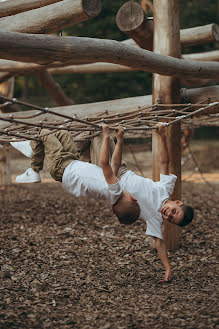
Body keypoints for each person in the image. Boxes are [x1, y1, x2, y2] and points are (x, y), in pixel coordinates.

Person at [11, 124, 194, 282]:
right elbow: (164, 162)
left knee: (98, 133)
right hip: (116, 169)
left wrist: (167, 268)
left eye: (171, 219)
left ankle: (39, 148)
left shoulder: (154, 219)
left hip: (108, 174)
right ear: (177, 202)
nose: (168, 215)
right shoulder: (165, 188)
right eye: (174, 212)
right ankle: (48, 148)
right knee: (89, 136)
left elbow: (160, 243)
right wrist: (161, 136)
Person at [12, 125, 140, 225]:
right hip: (72, 162)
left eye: (134, 198)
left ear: (133, 199)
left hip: (62, 168)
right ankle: (34, 149)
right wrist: (119, 140)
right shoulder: (111, 192)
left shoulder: (115, 190)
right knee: (64, 135)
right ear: (113, 209)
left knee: (45, 133)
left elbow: (104, 162)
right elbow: (115, 166)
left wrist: (106, 136)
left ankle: (34, 165)